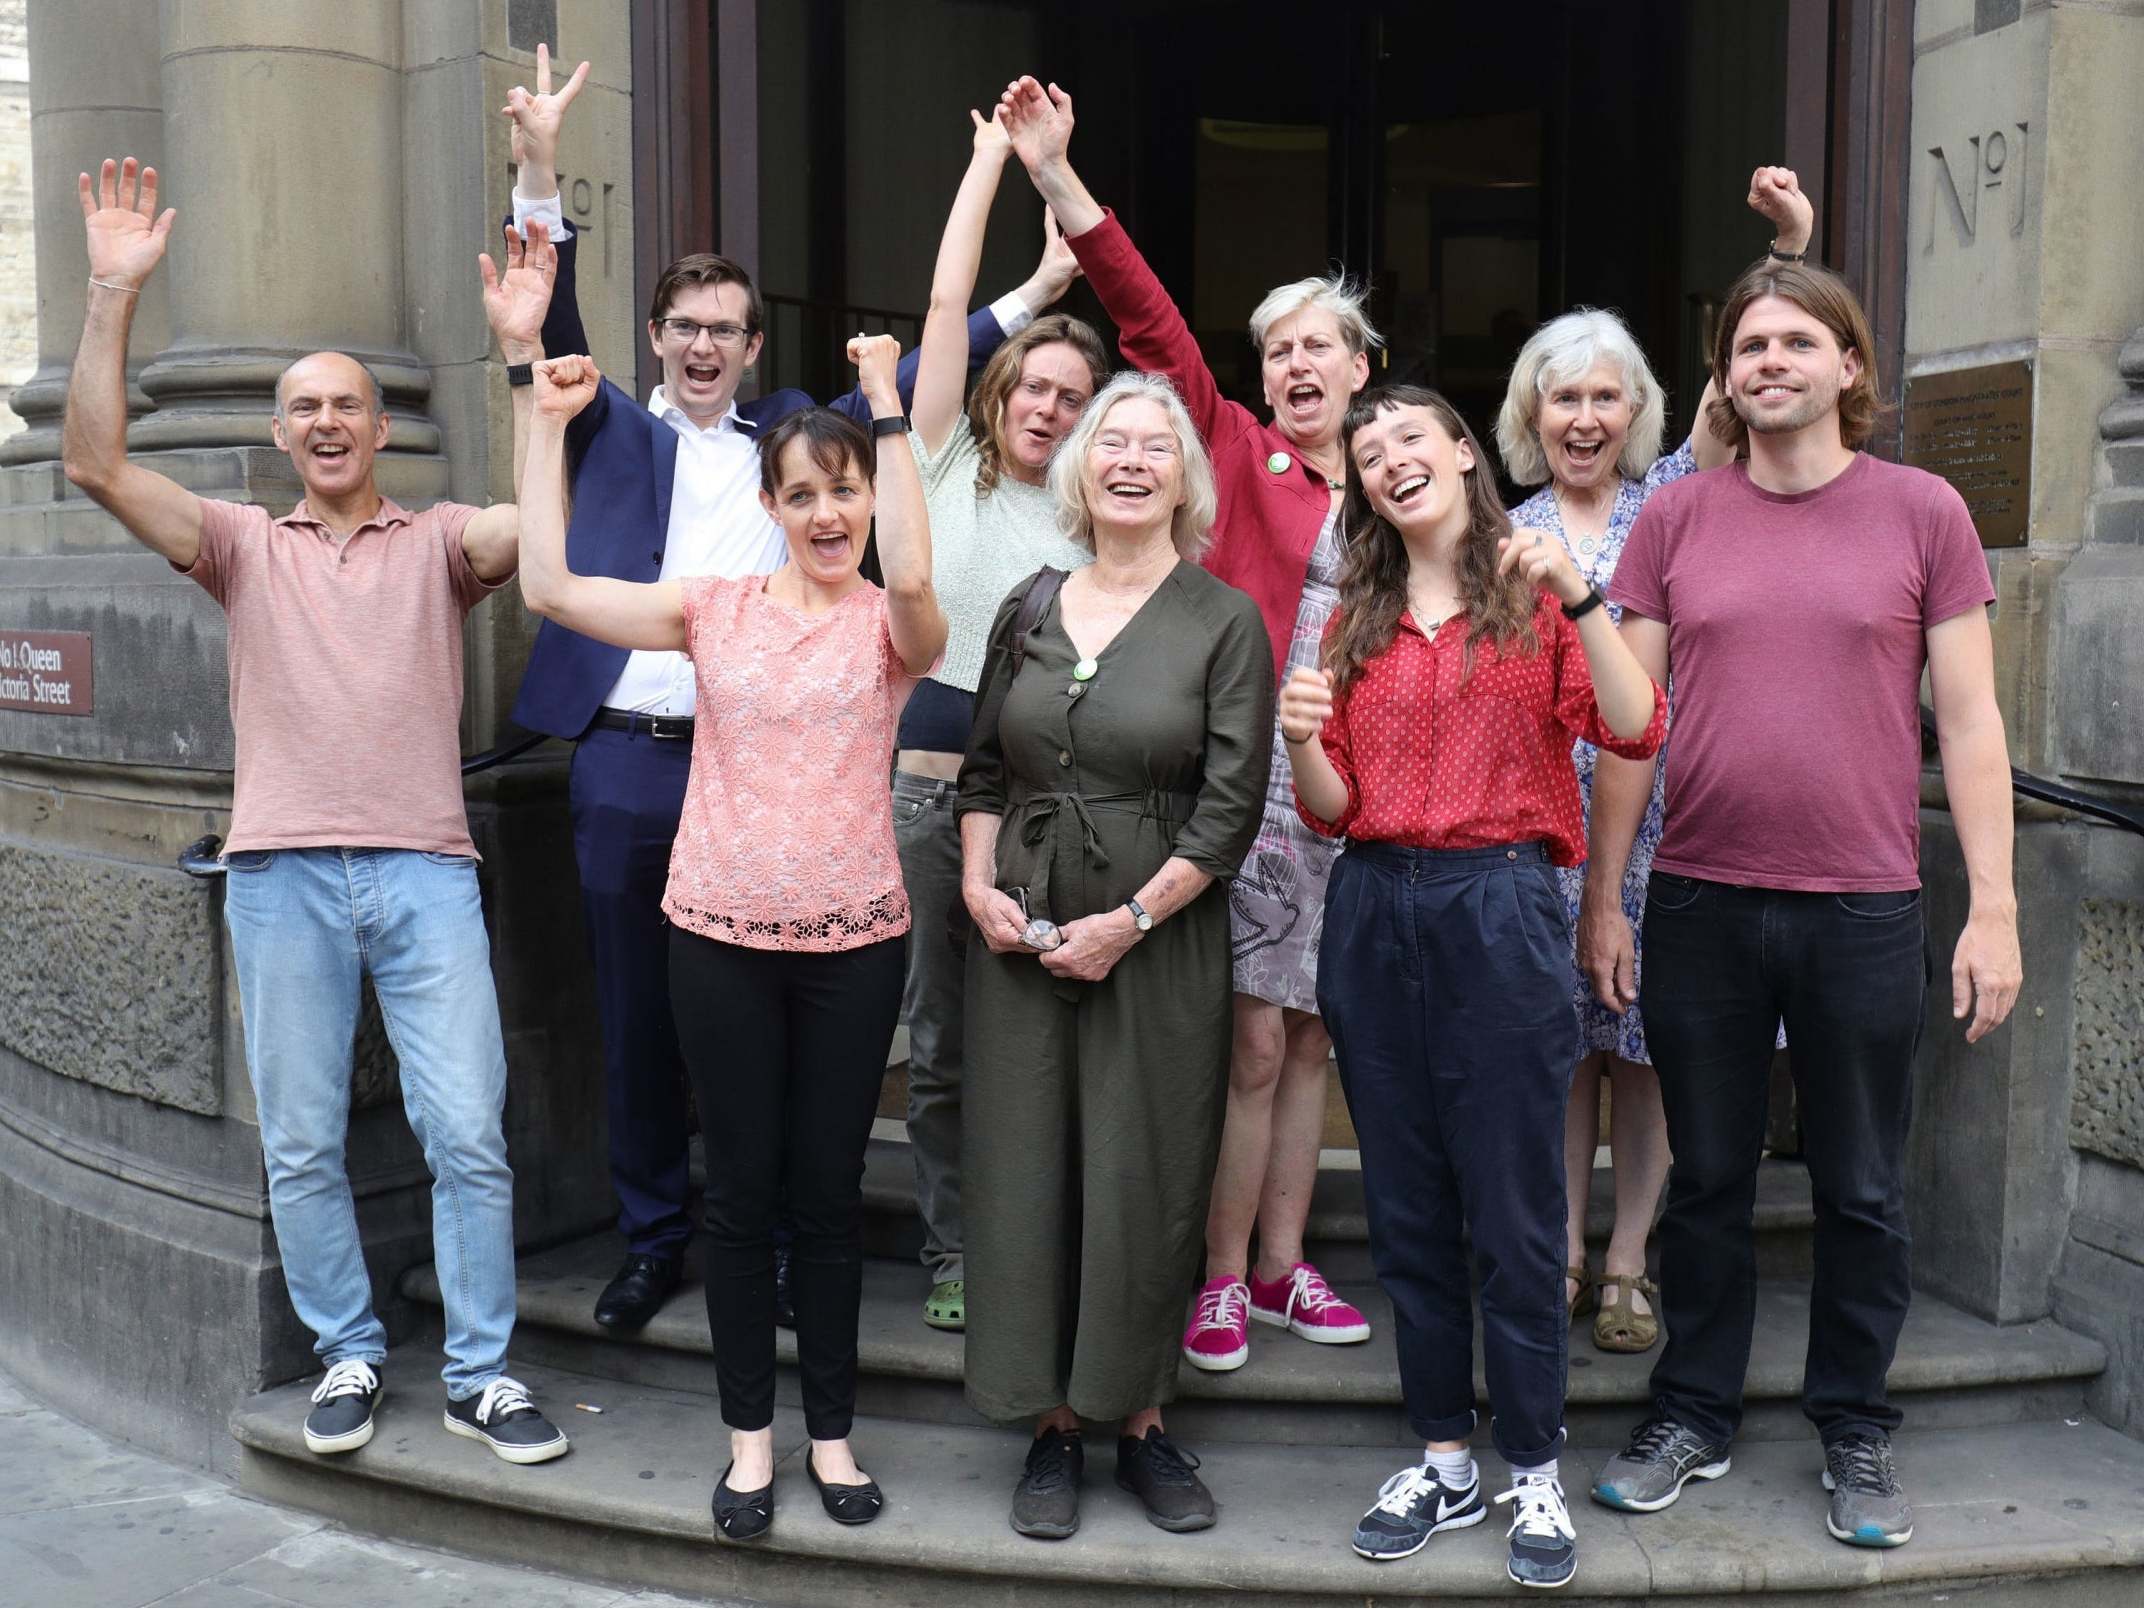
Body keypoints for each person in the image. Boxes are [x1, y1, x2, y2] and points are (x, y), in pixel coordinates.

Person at [499, 47, 1074, 1334]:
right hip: (635, 758)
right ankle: (654, 1239)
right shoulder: (610, 421)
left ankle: (748, 1229)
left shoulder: (794, 447)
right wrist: (537, 165)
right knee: (639, 1014)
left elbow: (926, 371)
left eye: (725, 331)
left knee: (759, 1029)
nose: (703, 347)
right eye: (683, 328)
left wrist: (1033, 285)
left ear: (754, 346)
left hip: (785, 765)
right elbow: (547, 315)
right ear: (657, 338)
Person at [60, 158, 568, 1465]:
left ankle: (480, 1375)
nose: (332, 420)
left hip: (425, 872)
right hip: (280, 875)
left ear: (378, 427)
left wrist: (525, 360)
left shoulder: (443, 542)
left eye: (350, 402)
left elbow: (547, 540)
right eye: (307, 407)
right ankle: (347, 1351)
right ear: (283, 436)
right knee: (297, 1144)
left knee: (466, 1136)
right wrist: (113, 295)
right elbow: (97, 462)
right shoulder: (243, 545)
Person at [1587, 260, 2021, 1549]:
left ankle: (1853, 1428)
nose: (1768, 360)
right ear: (1724, 376)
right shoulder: (1672, 521)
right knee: (1706, 1181)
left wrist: (1989, 907)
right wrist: (1604, 901)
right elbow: (1630, 731)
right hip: (1700, 906)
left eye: (1795, 341)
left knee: (1861, 1190)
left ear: (1846, 368)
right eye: (1747, 345)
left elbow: (1973, 721)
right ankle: (1692, 1413)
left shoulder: (1922, 511)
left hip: (1864, 907)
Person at [518, 336, 945, 1539]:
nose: (824, 512)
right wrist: (537, 416)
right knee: (740, 1201)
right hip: (716, 939)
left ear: (868, 497)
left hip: (853, 946)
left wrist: (885, 413)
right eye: (799, 493)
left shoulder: (891, 625)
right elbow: (549, 588)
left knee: (826, 1198)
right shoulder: (711, 611)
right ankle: (749, 1448)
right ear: (768, 507)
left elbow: (915, 576)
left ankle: (833, 1440)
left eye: (842, 489)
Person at [998, 73, 1372, 1378]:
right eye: (1279, 353)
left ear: (1366, 371)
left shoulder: (1407, 483)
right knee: (1256, 1036)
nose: (1297, 366)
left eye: (1321, 345)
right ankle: (1219, 1277)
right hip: (1256, 784)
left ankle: (1285, 1264)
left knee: (1317, 1034)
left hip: (1368, 791)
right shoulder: (1234, 452)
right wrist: (1058, 180)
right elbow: (1146, 320)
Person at [1283, 385, 1666, 1590]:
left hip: (1501, 905)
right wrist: (1300, 734)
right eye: (1366, 452)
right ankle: (1445, 1459)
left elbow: (1633, 725)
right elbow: (1327, 807)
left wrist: (1585, 597)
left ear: (1459, 451)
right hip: (1373, 901)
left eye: (1410, 437)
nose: (1390, 459)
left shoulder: (1537, 595)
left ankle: (1533, 1469)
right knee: (1405, 1204)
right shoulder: (1353, 618)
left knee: (1512, 1211)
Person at [1496, 168, 1815, 1353]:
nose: (1582, 417)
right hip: (1532, 832)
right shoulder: (1496, 530)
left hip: (1665, 825)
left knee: (1646, 1050)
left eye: (1603, 397)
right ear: (1531, 414)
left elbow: (1755, 385)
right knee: (1556, 1049)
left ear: (1636, 410)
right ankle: (1558, 1249)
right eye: (1561, 397)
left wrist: (1788, 249)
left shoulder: (1676, 499)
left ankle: (1630, 1256)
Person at [958, 372, 1273, 1539]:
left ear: (1185, 478)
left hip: (1157, 937)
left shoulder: (1221, 618)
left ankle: (1136, 1419)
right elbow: (985, 767)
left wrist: (1129, 922)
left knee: (1142, 1172)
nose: (1131, 460)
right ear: (1077, 469)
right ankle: (1048, 1427)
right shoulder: (1029, 604)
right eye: (1110, 442)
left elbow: (1228, 807)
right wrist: (978, 885)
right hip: (1020, 931)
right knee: (1028, 1163)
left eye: (1156, 445)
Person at [894, 107, 1110, 1335]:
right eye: (1032, 382)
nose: (1046, 404)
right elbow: (939, 307)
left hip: (1043, 798)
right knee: (944, 1039)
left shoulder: (1092, 521)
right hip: (926, 788)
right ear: (1000, 386)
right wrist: (987, 158)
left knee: (1046, 1032)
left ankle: (1049, 1238)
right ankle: (955, 1250)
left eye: (1071, 394)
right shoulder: (936, 462)